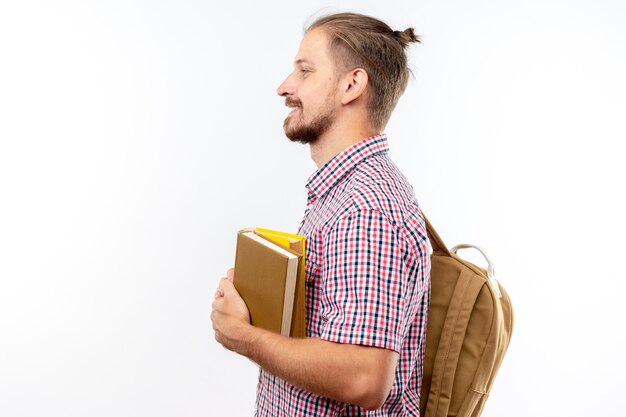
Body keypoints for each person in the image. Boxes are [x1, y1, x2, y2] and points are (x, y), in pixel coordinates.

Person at [211, 12, 431, 416]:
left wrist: (243, 335)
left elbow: (363, 378)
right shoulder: (344, 195)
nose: (285, 87)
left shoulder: (365, 208)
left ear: (351, 85)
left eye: (305, 71)